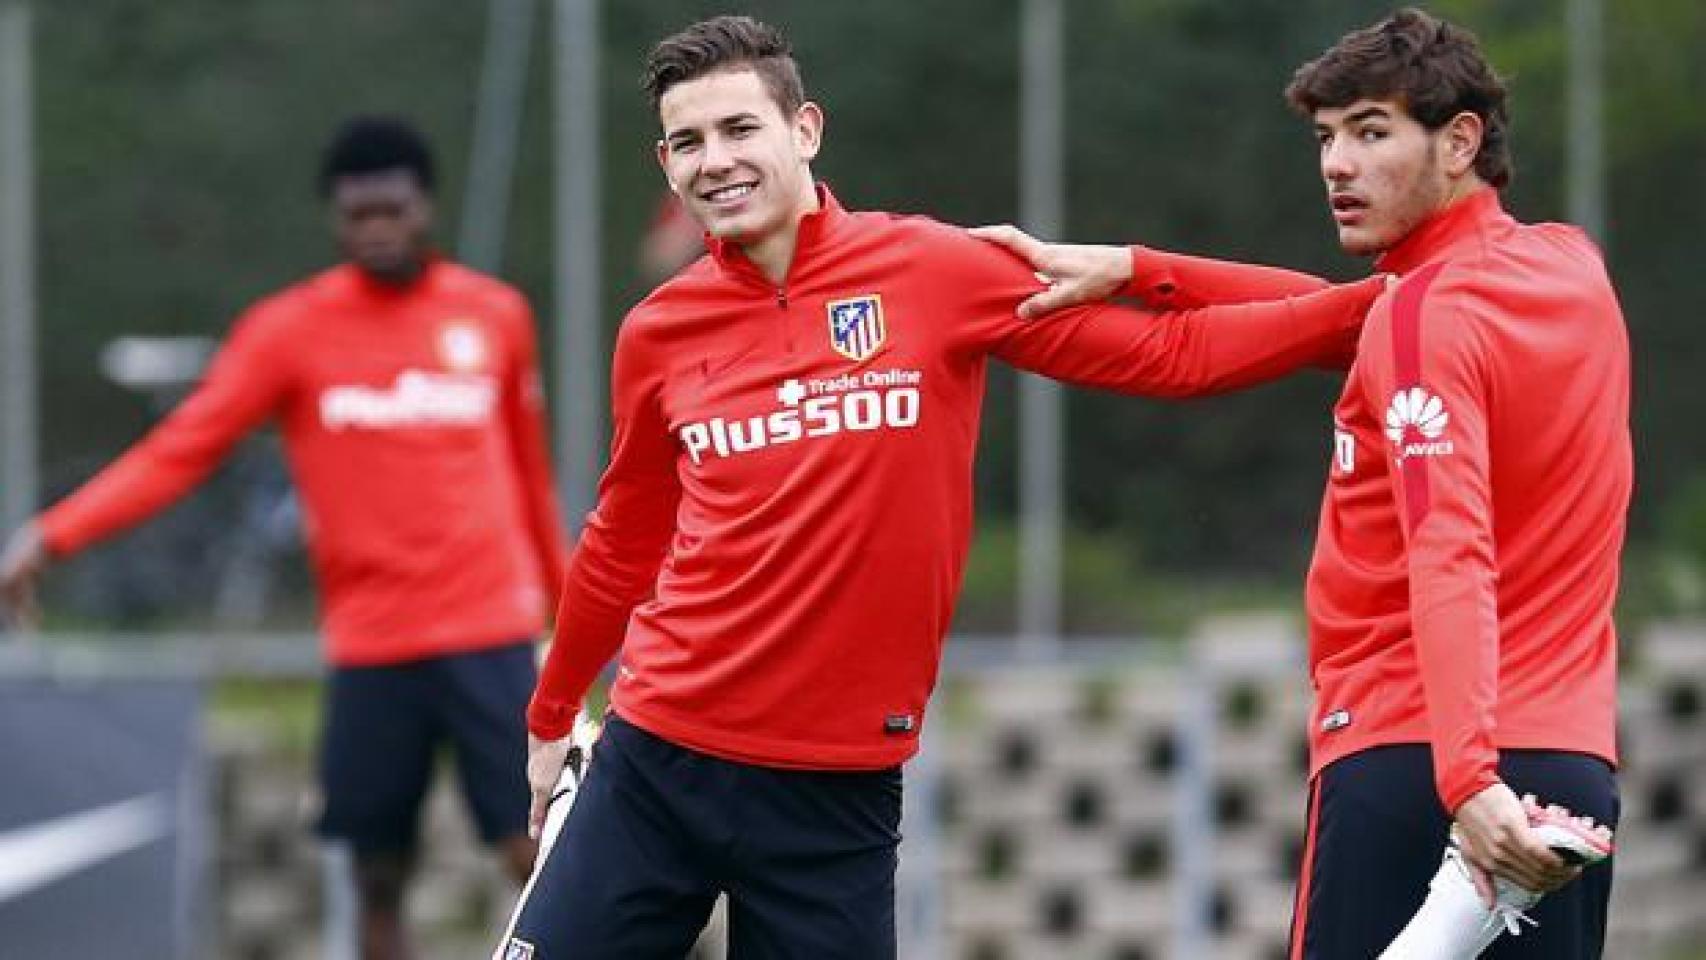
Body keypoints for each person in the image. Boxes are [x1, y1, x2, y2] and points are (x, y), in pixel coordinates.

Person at [495, 15, 1391, 960]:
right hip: (656, 759)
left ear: (804, 130)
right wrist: (551, 714)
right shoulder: (658, 331)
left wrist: (1383, 302)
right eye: (688, 142)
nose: (715, 161)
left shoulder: (932, 270)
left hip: (834, 790)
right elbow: (622, 537)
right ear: (667, 166)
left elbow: (1174, 356)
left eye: (739, 129)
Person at [978, 8, 1630, 959]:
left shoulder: (1421, 322)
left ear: (1460, 142)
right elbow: (1285, 324)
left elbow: (1450, 548)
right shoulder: (1569, 265)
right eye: (1327, 139)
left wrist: (1467, 782)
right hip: (1569, 772)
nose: (1336, 165)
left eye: (1371, 133)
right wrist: (1138, 268)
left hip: (1426, 765)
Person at [0, 117, 570, 960]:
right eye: (357, 214)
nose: (377, 228)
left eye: (393, 209)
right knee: (377, 874)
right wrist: (51, 536)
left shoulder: (493, 316)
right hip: (373, 647)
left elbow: (529, 479)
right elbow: (179, 451)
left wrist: (571, 625)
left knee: (540, 859)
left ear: (425, 207)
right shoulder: (289, 332)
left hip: (492, 636)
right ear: (336, 219)